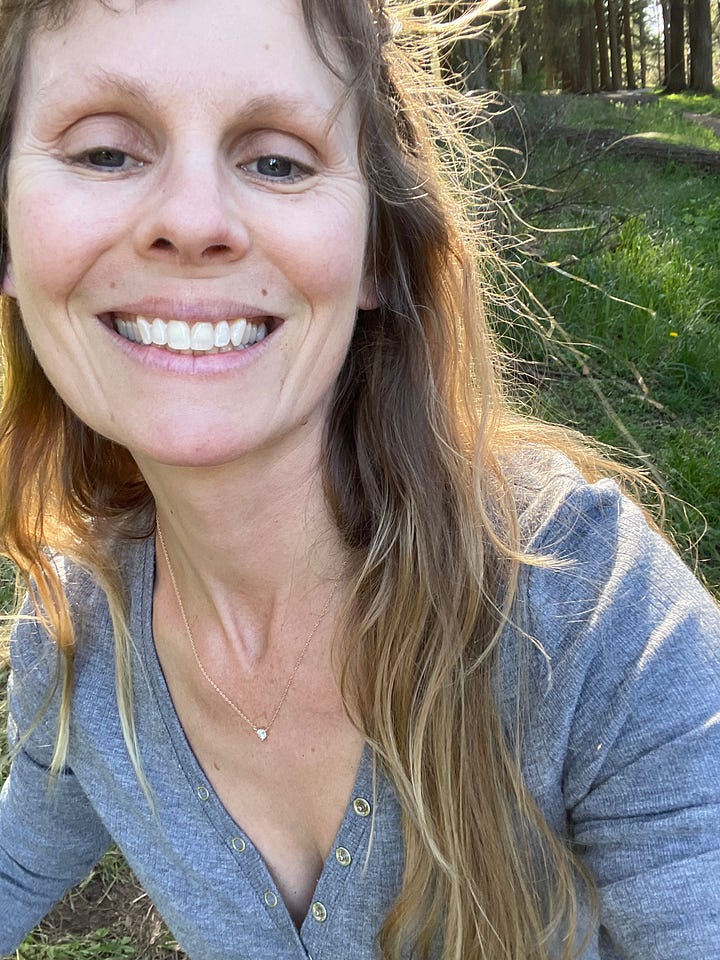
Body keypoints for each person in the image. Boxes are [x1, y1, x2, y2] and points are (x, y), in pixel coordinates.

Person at [0, 0, 718, 957]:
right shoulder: (84, 640)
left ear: (379, 248)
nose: (192, 221)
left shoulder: (586, 612)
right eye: (104, 153)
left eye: (277, 160)